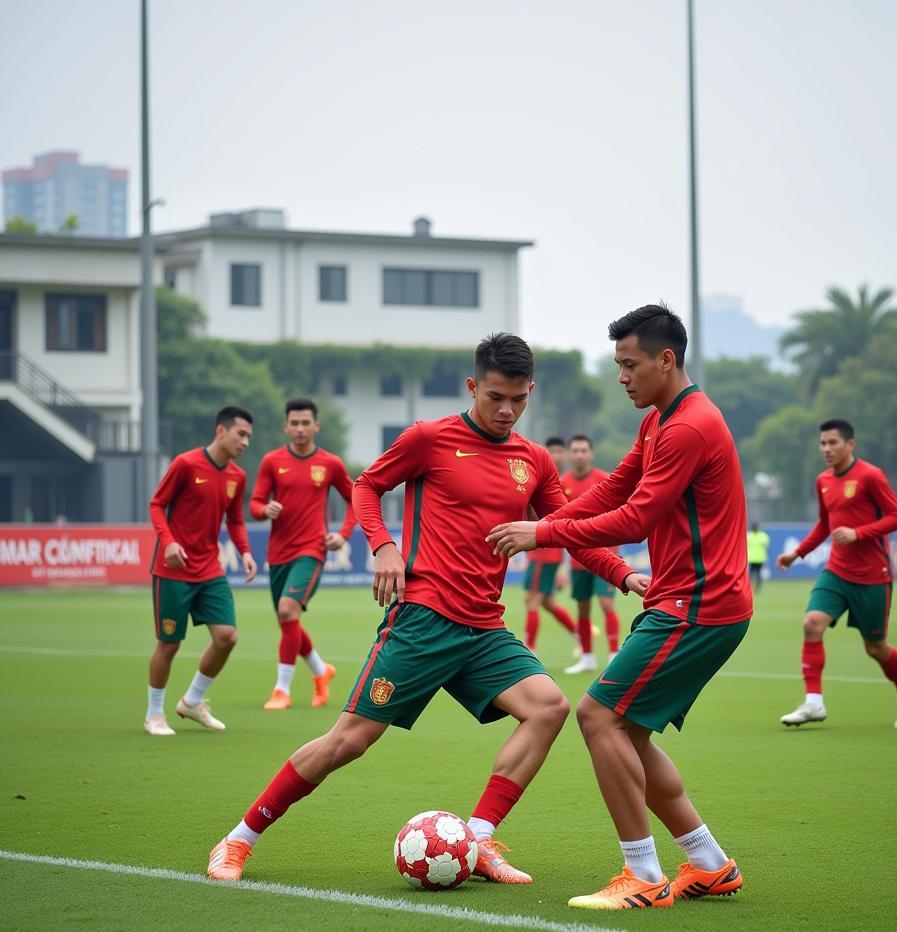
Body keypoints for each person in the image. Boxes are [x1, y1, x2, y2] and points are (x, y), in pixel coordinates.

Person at [207, 333, 644, 884]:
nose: (506, 410)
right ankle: (238, 839)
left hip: (484, 629)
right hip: (423, 621)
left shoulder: (533, 460)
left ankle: (480, 840)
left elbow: (570, 531)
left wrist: (625, 575)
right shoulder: (429, 439)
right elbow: (367, 487)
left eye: (517, 399)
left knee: (549, 708)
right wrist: (384, 545)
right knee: (349, 742)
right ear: (472, 387)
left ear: (530, 391)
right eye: (493, 398)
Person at [488, 303, 752, 911]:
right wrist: (549, 517)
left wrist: (542, 535)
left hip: (697, 605)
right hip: (688, 600)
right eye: (617, 365)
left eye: (629, 364)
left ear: (667, 360)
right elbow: (613, 489)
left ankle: (642, 876)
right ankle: (709, 863)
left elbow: (638, 516)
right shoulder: (660, 421)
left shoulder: (688, 427)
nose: (622, 376)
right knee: (626, 729)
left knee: (597, 716)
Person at [776, 420, 897, 729]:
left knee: (875, 648)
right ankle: (814, 702)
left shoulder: (871, 476)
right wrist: (796, 553)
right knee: (811, 624)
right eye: (823, 444)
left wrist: (859, 533)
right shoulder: (823, 480)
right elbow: (824, 524)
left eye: (833, 443)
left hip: (872, 576)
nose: (826, 449)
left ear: (850, 445)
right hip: (837, 571)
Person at [145, 406, 257, 736]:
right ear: (220, 431)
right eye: (241, 434)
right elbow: (156, 504)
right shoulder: (185, 464)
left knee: (227, 636)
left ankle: (192, 701)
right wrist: (168, 542)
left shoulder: (237, 476)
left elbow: (235, 519)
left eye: (249, 436)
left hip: (209, 568)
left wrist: (246, 552)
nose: (246, 441)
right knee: (169, 645)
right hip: (173, 570)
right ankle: (154, 714)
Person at [251, 398, 358, 710]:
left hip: (312, 550)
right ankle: (321, 671)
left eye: (305, 423)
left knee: (287, 611)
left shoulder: (330, 463)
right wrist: (264, 509)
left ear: (316, 426)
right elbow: (255, 503)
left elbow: (357, 499)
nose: (299, 428)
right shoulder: (272, 461)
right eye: (294, 423)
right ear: (286, 426)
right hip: (278, 553)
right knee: (289, 621)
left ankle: (281, 690)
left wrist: (343, 534)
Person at [561, 434, 621, 674]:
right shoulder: (562, 483)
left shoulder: (605, 480)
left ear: (591, 454)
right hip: (578, 557)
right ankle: (587, 657)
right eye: (575, 451)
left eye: (583, 451)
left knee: (606, 604)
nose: (579, 455)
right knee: (583, 608)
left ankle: (615, 654)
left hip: (605, 554)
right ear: (569, 454)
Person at [522, 437, 578, 652]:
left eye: (558, 451)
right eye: (551, 451)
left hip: (544, 552)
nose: (555, 456)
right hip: (542, 551)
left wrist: (563, 566)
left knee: (532, 600)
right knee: (547, 603)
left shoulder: (558, 485)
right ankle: (579, 634)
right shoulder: (544, 479)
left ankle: (530, 649)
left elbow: (565, 525)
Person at [746, 522, 770, 594]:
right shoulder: (749, 535)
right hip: (751, 559)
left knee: (758, 575)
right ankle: (749, 588)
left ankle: (757, 588)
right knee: (750, 575)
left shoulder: (763, 536)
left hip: (760, 559)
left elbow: (766, 547)